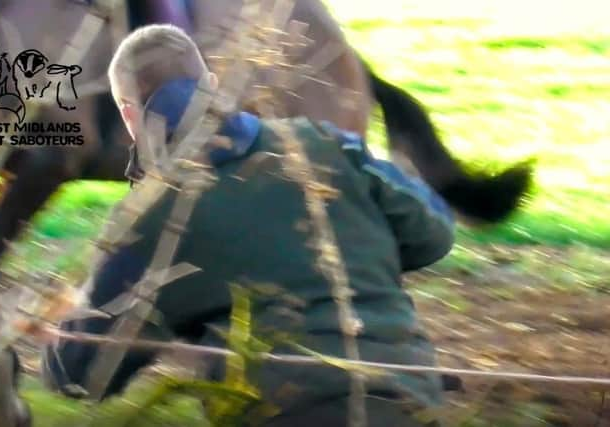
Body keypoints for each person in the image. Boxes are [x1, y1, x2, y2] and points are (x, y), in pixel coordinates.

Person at [41, 24, 455, 427]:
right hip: (410, 398)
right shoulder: (326, 143)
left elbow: (80, 377)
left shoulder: (153, 220)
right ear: (215, 83)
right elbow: (435, 233)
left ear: (129, 115)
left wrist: (67, 322)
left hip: (287, 413)